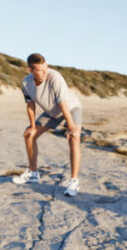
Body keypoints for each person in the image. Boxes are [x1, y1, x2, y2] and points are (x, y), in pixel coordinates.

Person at [12, 53, 82, 197]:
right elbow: (30, 105)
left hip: (71, 108)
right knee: (29, 135)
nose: (45, 73)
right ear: (30, 70)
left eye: (46, 68)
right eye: (40, 70)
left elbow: (63, 104)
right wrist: (32, 126)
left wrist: (71, 127)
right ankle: (33, 173)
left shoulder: (55, 77)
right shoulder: (26, 82)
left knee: (73, 138)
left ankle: (74, 182)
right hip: (52, 112)